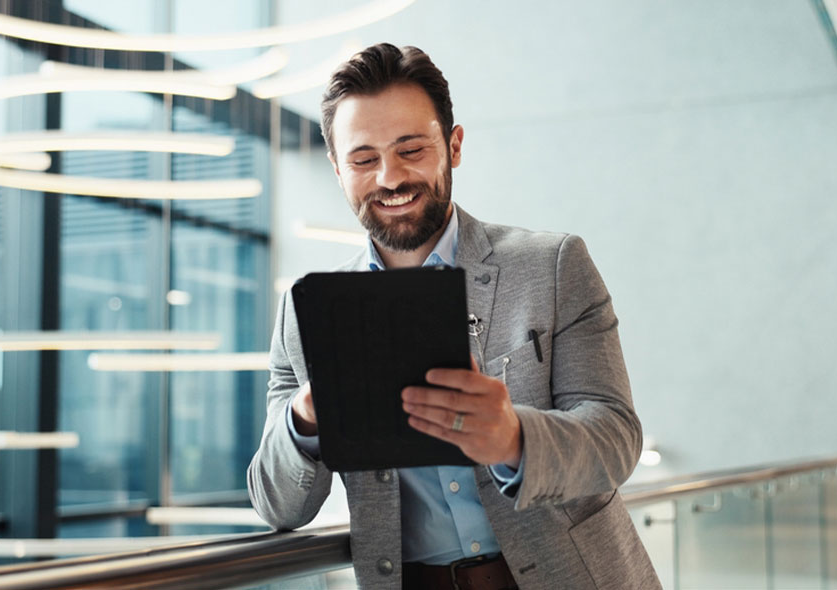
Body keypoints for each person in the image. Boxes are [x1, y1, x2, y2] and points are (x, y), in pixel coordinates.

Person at [248, 43, 661, 590]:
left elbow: (616, 438)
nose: (390, 178)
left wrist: (514, 439)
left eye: (411, 149)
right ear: (338, 169)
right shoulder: (305, 315)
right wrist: (306, 416)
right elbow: (276, 505)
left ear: (453, 145)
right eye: (364, 160)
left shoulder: (554, 264)